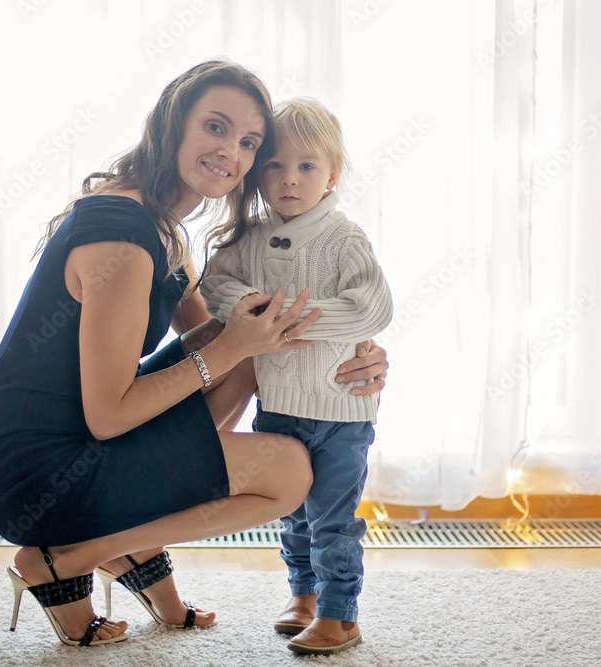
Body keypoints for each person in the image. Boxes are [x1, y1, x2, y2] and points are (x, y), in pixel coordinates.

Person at [0, 60, 389, 648]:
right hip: (39, 474)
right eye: (216, 128)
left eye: (248, 142)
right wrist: (237, 345)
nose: (233, 153)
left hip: (81, 445)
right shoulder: (123, 235)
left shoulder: (159, 223)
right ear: (173, 124)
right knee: (291, 472)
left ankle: (126, 536)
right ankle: (79, 552)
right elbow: (109, 414)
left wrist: (357, 350)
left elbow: (231, 335)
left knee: (245, 340)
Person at [200, 97, 393, 656]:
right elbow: (215, 289)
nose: (290, 179)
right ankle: (302, 594)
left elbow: (372, 306)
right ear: (258, 175)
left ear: (331, 174)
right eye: (276, 166)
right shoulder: (248, 239)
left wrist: (293, 321)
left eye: (307, 166)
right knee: (290, 512)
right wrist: (256, 306)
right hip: (280, 404)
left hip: (340, 409)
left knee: (333, 518)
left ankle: (340, 613)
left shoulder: (344, 237)